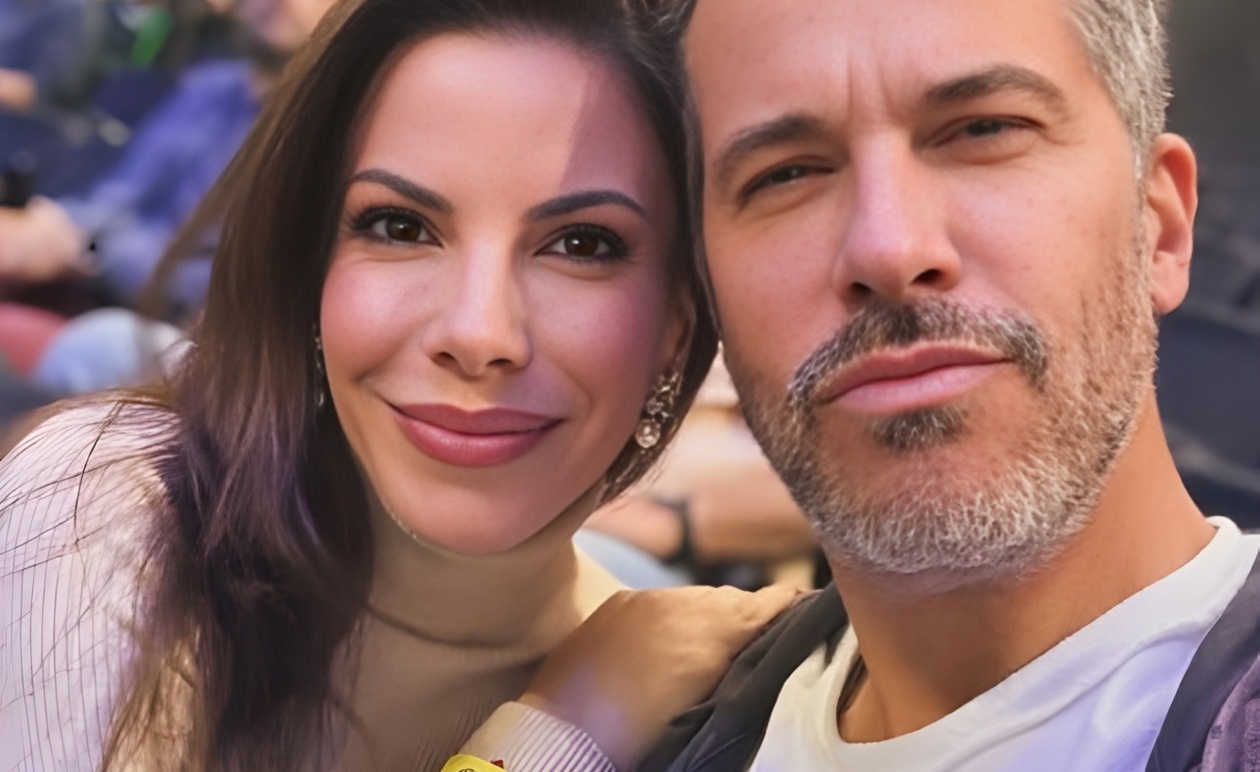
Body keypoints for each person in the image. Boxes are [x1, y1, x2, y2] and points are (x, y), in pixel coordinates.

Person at [0, 0, 797, 769]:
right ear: (310, 265)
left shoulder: (686, 690)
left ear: (679, 323)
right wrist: (562, 732)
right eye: (402, 227)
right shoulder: (106, 508)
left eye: (581, 245)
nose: (480, 335)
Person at [493, 0, 1256, 769]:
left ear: (1159, 227)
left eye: (984, 130)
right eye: (786, 174)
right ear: (703, 292)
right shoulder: (650, 723)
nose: (887, 248)